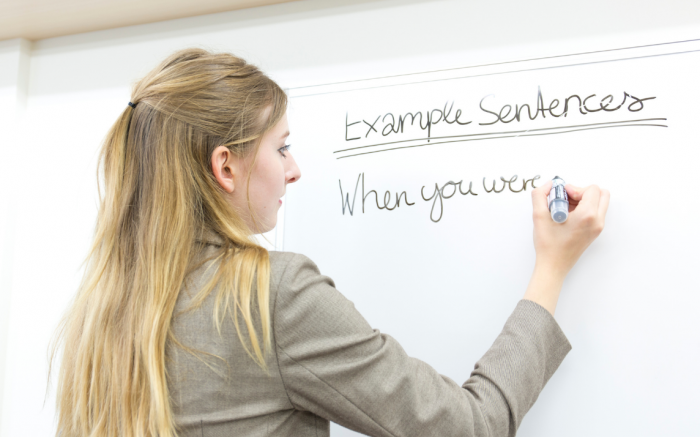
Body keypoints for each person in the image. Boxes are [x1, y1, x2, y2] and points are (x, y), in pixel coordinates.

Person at [50, 48, 610, 437]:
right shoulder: (272, 295)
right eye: (281, 147)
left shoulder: (99, 313)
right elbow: (471, 427)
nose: (293, 170)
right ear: (225, 165)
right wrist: (551, 268)